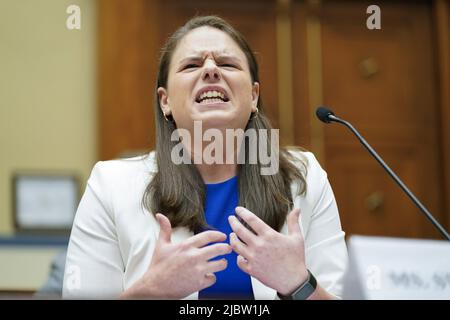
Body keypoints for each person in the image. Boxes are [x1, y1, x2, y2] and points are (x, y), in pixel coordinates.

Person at [63, 15, 348, 300]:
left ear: (253, 96)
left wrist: (298, 284)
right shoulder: (110, 185)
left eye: (227, 64)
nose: (211, 70)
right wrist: (151, 292)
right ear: (166, 101)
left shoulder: (305, 178)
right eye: (191, 65)